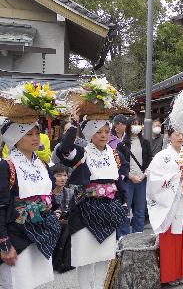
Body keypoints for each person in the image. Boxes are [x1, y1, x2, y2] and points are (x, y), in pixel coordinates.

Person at [56, 107, 129, 288]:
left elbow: (120, 181)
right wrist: (74, 124)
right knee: (85, 260)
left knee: (104, 259)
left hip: (109, 211)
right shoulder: (82, 153)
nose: (103, 135)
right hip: (84, 211)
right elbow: (64, 149)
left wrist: (124, 203)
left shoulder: (115, 154)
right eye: (98, 132)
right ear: (89, 133)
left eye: (106, 131)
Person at [0, 86, 62, 289]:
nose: (36, 138)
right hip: (17, 236)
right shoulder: (6, 165)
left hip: (42, 233)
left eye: (37, 133)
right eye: (29, 134)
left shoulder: (42, 164)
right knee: (19, 283)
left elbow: (50, 194)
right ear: (16, 138)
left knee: (36, 283)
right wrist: (4, 244)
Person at [146, 125, 183, 286]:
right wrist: (176, 175)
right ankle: (171, 274)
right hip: (171, 203)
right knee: (171, 237)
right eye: (176, 134)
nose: (180, 137)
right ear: (169, 135)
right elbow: (154, 179)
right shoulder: (161, 156)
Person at [116, 117, 152, 238]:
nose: (136, 126)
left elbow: (150, 160)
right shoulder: (122, 144)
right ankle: (124, 236)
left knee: (140, 209)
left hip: (142, 179)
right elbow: (119, 164)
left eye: (138, 124)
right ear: (128, 127)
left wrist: (144, 175)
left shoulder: (145, 143)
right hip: (127, 180)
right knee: (125, 208)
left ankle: (138, 235)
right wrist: (130, 176)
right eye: (133, 124)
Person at [50, 164, 76, 273]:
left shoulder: (70, 192)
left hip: (65, 224)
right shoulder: (46, 193)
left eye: (65, 175)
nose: (63, 178)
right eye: (59, 175)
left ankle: (64, 261)